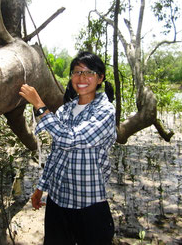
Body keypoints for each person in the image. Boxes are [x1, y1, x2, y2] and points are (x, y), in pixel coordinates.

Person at [19, 51, 117, 245]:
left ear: (100, 78)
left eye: (89, 72)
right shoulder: (65, 110)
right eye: (77, 72)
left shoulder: (105, 111)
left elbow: (71, 139)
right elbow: (56, 153)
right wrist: (41, 187)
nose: (82, 78)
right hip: (57, 200)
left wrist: (39, 104)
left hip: (89, 203)